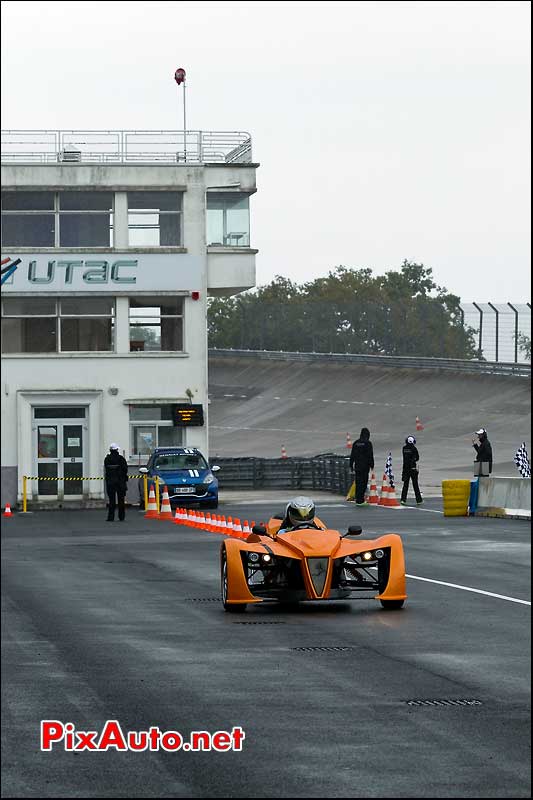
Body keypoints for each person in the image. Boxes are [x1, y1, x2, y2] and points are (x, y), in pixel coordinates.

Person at [349, 427, 374, 506]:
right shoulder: (368, 443)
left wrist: (351, 465)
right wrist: (372, 464)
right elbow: (370, 455)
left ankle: (358, 499)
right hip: (365, 467)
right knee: (363, 483)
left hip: (357, 466)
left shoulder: (356, 443)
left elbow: (352, 455)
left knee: (358, 482)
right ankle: (361, 500)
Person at [104, 443, 128, 521]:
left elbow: (106, 470)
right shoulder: (121, 459)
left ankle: (111, 517)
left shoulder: (107, 459)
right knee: (121, 500)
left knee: (112, 500)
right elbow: (125, 469)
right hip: (120, 482)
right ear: (117, 450)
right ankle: (121, 516)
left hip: (110, 482)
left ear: (110, 450)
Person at [400, 435, 423, 506]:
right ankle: (419, 500)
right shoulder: (414, 448)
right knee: (415, 485)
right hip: (412, 469)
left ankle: (403, 500)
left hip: (406, 469)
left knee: (405, 485)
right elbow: (417, 458)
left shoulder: (404, 449)